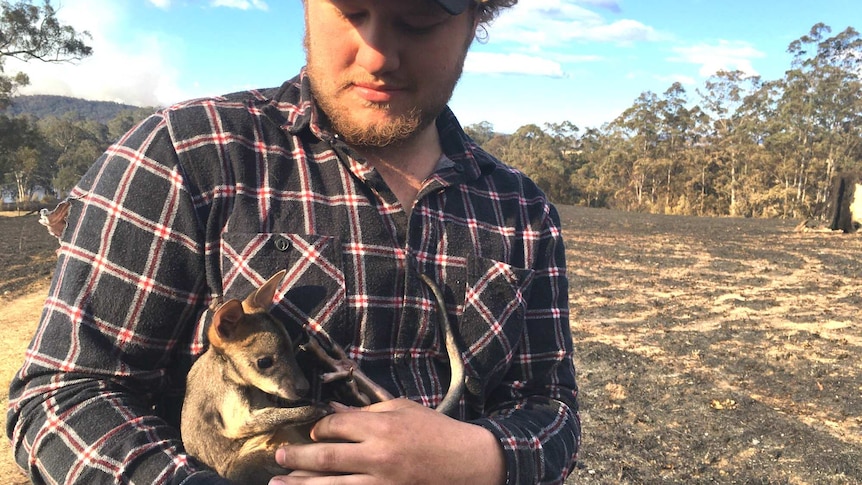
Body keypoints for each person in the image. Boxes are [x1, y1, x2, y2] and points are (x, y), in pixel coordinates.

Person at [7, 0, 581, 483]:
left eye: (419, 19)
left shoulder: (521, 210)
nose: (377, 55)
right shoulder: (184, 155)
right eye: (351, 10)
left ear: (478, 17)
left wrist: (481, 458)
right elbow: (63, 397)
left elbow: (549, 407)